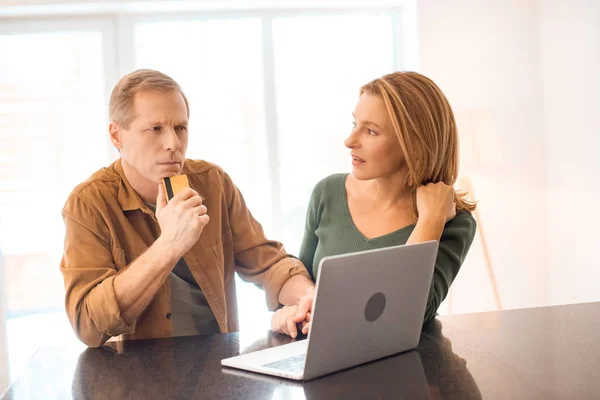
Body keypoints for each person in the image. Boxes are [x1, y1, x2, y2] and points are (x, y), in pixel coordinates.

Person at [60, 69, 314, 348]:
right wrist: (168, 245)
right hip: (136, 378)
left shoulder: (213, 182)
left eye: (180, 128)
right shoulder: (88, 204)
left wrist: (310, 298)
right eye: (155, 129)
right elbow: (88, 326)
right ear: (116, 135)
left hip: (219, 368)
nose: (173, 144)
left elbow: (270, 264)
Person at [271, 71, 477, 337]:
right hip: (323, 359)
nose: (350, 141)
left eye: (370, 131)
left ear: (414, 143)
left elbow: (413, 310)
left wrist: (430, 221)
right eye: (354, 124)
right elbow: (306, 283)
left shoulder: (453, 222)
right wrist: (293, 311)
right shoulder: (327, 193)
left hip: (406, 368)